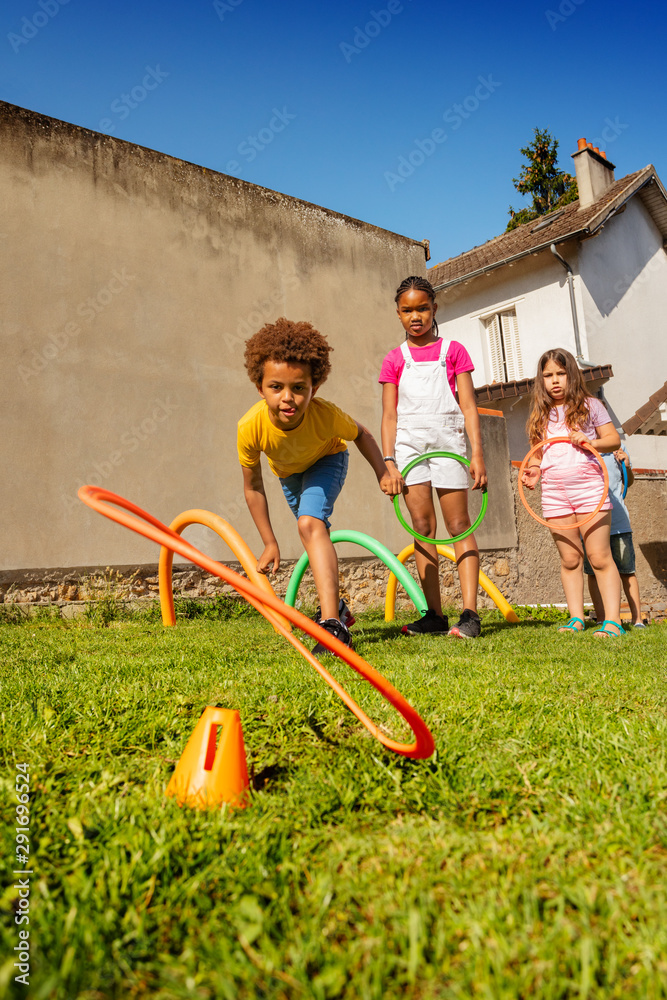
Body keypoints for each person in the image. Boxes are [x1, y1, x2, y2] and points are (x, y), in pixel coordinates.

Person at [238, 317, 402, 654]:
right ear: (259, 387)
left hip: (327, 461)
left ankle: (332, 625)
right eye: (276, 387)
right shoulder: (249, 427)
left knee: (310, 524)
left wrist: (383, 471)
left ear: (315, 387)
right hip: (289, 475)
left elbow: (362, 434)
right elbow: (253, 486)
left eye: (299, 388)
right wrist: (269, 541)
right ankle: (338, 608)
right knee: (313, 535)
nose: (288, 398)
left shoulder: (325, 415)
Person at [379, 275, 487, 639]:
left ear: (434, 309)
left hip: (449, 444)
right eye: (407, 310)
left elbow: (470, 407)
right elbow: (389, 416)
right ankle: (434, 615)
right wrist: (389, 461)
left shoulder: (453, 351)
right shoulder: (394, 358)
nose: (416, 316)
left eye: (422, 308)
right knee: (422, 529)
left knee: (459, 526)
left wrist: (477, 455)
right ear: (398, 314)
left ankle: (470, 614)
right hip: (409, 448)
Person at [521, 348, 624, 637]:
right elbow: (538, 454)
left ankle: (613, 622)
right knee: (570, 559)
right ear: (541, 380)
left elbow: (613, 439)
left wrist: (588, 440)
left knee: (599, 556)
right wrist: (535, 470)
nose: (555, 381)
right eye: (548, 375)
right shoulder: (540, 414)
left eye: (560, 374)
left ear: (572, 375)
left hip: (589, 489)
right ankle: (576, 618)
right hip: (555, 491)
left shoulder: (591, 406)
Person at [582, 448, 646, 628]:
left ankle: (637, 620)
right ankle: (602, 618)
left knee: (627, 571)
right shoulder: (580, 449)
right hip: (590, 523)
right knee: (593, 573)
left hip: (618, 524)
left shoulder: (617, 450)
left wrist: (626, 465)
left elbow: (628, 483)